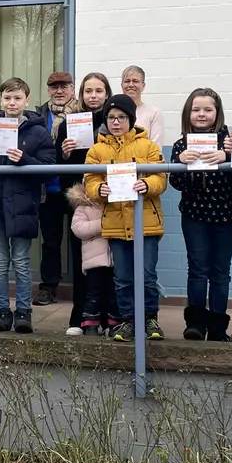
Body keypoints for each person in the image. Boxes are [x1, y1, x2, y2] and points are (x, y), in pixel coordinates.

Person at [0, 77, 57, 333]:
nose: (12, 102)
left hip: (22, 204)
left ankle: (23, 312)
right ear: (1, 100)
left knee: (20, 260)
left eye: (17, 98)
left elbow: (49, 169)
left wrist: (25, 159)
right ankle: (1, 311)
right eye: (7, 98)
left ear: (27, 100)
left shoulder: (38, 131)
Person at [84, 94, 168, 342]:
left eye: (121, 117)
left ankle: (150, 318)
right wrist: (99, 190)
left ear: (131, 119)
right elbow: (90, 180)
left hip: (146, 224)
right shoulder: (97, 150)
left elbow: (161, 176)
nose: (116, 122)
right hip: (116, 225)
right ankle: (128, 320)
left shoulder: (148, 147)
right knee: (122, 277)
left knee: (147, 275)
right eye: (111, 117)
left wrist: (148, 184)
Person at [170, 88, 232, 343]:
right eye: (196, 109)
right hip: (195, 216)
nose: (201, 114)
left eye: (207, 109)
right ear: (188, 113)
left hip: (227, 215)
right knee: (198, 270)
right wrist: (181, 162)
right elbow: (176, 183)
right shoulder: (181, 143)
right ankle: (196, 324)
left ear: (217, 113)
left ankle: (219, 328)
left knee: (221, 272)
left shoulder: (231, 141)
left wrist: (229, 156)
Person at [57, 72, 115, 332]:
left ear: (107, 93)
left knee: (110, 262)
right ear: (81, 94)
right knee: (83, 261)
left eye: (99, 91)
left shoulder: (117, 119)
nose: (93, 96)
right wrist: (66, 153)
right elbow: (60, 169)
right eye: (88, 91)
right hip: (82, 200)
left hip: (111, 197)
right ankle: (80, 317)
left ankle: (107, 317)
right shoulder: (69, 123)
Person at [37, 71, 78, 306]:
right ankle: (48, 287)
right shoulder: (39, 116)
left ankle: (83, 290)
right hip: (48, 188)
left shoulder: (83, 114)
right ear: (48, 90)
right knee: (50, 242)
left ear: (73, 89)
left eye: (64, 86)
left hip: (74, 188)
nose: (59, 91)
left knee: (80, 240)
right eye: (54, 87)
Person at [66, 182, 115, 337]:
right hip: (93, 261)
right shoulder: (84, 206)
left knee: (113, 293)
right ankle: (89, 324)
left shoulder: (116, 205)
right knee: (92, 293)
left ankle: (111, 324)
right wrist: (103, 224)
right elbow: (78, 228)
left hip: (113, 260)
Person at [120, 65, 166, 150]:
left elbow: (155, 148)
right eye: (127, 81)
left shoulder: (154, 113)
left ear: (143, 85)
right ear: (122, 85)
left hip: (145, 162)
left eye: (135, 81)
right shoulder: (114, 113)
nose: (131, 85)